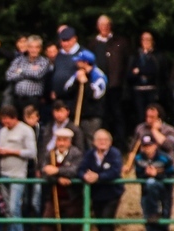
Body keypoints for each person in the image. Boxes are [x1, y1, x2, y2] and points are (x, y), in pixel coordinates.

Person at [0, 104, 37, 231]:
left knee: (14, 208)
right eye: (3, 121)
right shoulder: (2, 132)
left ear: (15, 118)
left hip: (18, 175)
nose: (6, 124)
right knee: (6, 210)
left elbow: (32, 152)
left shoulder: (26, 130)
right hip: (4, 173)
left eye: (8, 121)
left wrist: (12, 151)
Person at [36, 128, 83, 231]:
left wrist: (57, 171)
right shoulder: (49, 154)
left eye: (64, 140)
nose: (61, 143)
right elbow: (45, 171)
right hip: (53, 195)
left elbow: (75, 170)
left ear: (69, 141)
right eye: (59, 140)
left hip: (72, 196)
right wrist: (58, 179)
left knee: (74, 226)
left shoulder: (76, 154)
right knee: (48, 221)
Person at [79, 129, 124, 231]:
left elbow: (115, 171)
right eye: (99, 140)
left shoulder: (115, 154)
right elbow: (81, 169)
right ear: (94, 142)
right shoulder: (90, 154)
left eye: (105, 140)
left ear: (110, 142)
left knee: (106, 218)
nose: (102, 142)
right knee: (100, 220)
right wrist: (85, 176)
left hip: (112, 193)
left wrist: (98, 176)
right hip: (96, 194)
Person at [88, 15, 130, 149]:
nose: (104, 28)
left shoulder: (120, 42)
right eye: (101, 25)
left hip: (115, 87)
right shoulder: (92, 44)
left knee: (117, 116)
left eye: (107, 25)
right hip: (99, 87)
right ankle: (102, 145)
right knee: (102, 117)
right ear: (97, 27)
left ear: (110, 26)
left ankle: (120, 145)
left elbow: (126, 64)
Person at [134, 135, 174, 231]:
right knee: (151, 224)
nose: (148, 149)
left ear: (155, 146)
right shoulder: (139, 159)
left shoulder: (165, 158)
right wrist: (146, 174)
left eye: (150, 145)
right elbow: (138, 176)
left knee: (152, 184)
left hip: (164, 192)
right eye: (145, 146)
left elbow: (172, 176)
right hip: (147, 194)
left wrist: (157, 174)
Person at [64, 49, 107, 145]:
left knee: (90, 142)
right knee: (77, 142)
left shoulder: (99, 76)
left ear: (85, 62)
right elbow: (67, 90)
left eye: (78, 61)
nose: (76, 63)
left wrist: (86, 82)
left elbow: (95, 95)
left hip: (91, 117)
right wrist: (76, 81)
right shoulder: (77, 74)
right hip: (77, 115)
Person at [5, 35, 50, 114]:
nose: (34, 50)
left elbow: (37, 75)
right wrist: (30, 70)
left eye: (37, 47)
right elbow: (9, 76)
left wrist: (20, 70)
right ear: (27, 48)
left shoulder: (44, 61)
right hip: (18, 98)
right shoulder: (19, 60)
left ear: (40, 49)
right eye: (31, 47)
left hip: (33, 99)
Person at [127, 32, 165, 126]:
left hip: (152, 90)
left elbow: (155, 71)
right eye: (144, 39)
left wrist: (139, 71)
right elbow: (130, 74)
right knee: (140, 116)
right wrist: (139, 72)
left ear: (153, 41)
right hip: (138, 91)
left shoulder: (157, 56)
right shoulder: (135, 56)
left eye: (148, 40)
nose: (146, 42)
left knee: (153, 115)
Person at [38, 100, 86, 168]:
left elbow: (79, 150)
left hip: (66, 163)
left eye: (61, 111)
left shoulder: (75, 130)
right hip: (47, 161)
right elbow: (41, 148)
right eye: (56, 111)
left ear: (67, 112)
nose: (59, 114)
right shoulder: (47, 128)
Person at [51, 26, 81, 107]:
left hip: (75, 98)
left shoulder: (82, 54)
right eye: (63, 41)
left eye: (68, 40)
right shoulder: (59, 55)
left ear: (75, 39)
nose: (65, 44)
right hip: (59, 98)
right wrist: (54, 89)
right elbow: (55, 72)